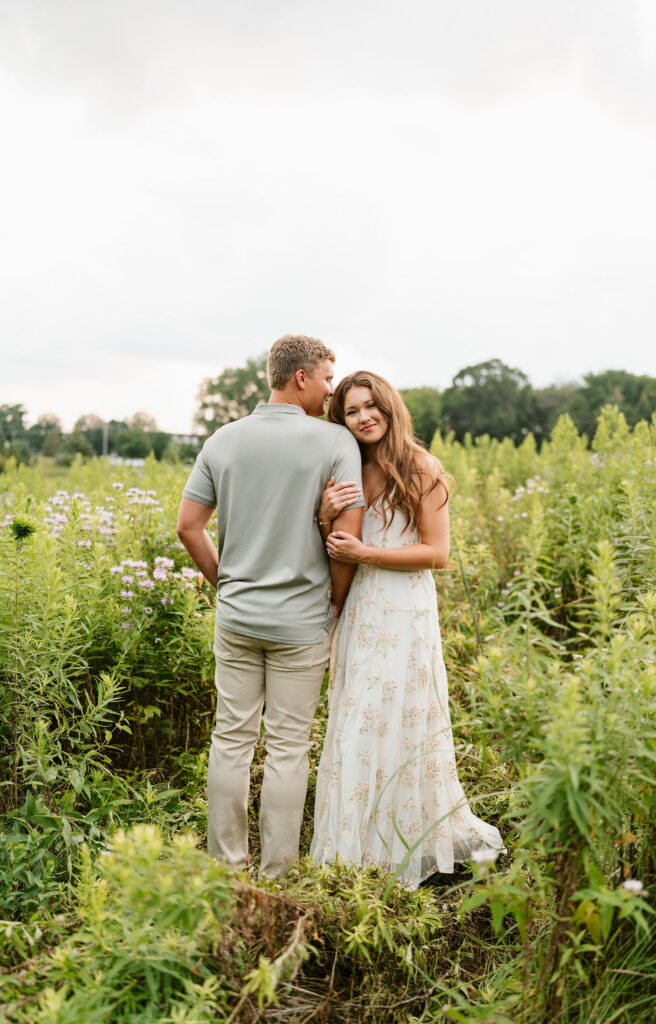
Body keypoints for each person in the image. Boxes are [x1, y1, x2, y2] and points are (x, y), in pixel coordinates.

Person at [177, 335, 364, 877]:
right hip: (301, 622)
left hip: (237, 617)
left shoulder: (223, 440)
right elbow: (346, 538)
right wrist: (333, 600)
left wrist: (225, 584)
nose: (332, 389)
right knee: (288, 747)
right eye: (328, 378)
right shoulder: (335, 443)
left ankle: (226, 867)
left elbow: (189, 527)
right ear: (301, 377)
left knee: (230, 739)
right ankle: (277, 873)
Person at [310, 371, 504, 887]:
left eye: (371, 406)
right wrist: (325, 517)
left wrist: (367, 553)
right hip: (361, 612)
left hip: (405, 611)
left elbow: (437, 554)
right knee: (357, 724)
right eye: (351, 411)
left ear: (390, 409)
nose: (363, 417)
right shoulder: (348, 467)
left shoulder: (421, 467)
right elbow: (336, 546)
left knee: (399, 721)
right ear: (341, 420)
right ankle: (354, 847)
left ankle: (406, 842)